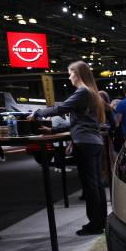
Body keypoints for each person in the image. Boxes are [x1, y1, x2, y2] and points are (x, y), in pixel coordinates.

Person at [29, 61, 107, 236]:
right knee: (96, 185)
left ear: (78, 74)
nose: (69, 77)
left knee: (90, 186)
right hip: (94, 142)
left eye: (70, 73)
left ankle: (94, 225)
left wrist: (37, 113)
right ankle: (100, 222)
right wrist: (54, 130)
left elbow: (60, 108)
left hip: (85, 144)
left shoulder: (82, 92)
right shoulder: (92, 93)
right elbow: (79, 122)